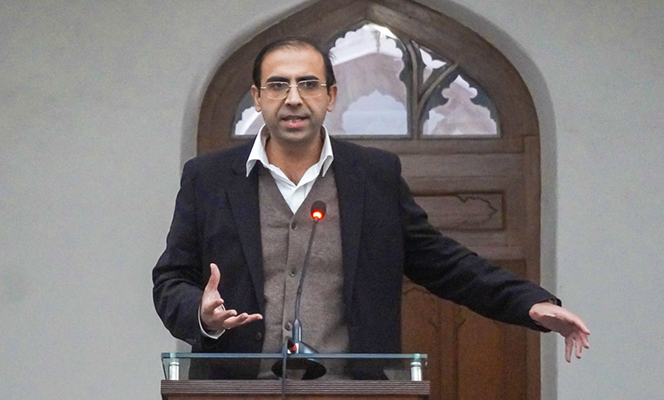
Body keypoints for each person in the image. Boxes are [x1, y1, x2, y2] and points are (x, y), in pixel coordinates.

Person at [152, 37, 590, 378]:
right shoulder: (208, 178)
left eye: (308, 84)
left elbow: (442, 262)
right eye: (278, 85)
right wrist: (201, 314)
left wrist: (527, 303)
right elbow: (171, 279)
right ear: (257, 97)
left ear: (331, 96)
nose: (293, 98)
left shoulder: (373, 176)